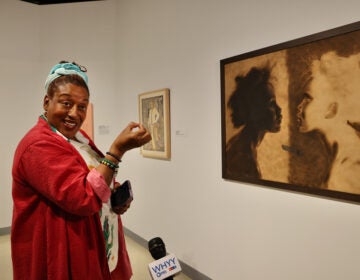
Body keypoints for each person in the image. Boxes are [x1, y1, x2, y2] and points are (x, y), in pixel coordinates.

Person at [11, 61, 151, 280]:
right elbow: (81, 197)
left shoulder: (77, 139)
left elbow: (90, 174)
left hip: (94, 240)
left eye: (82, 106)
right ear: (47, 102)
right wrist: (116, 151)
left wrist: (112, 193)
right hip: (61, 250)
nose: (74, 114)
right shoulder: (37, 145)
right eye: (66, 103)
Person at [297, 51, 360, 194]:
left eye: (308, 98)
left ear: (331, 108)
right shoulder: (339, 157)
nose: (299, 105)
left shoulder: (352, 167)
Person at [226, 66, 282, 180]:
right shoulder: (243, 157)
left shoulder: (243, 145)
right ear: (255, 111)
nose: (279, 109)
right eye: (271, 104)